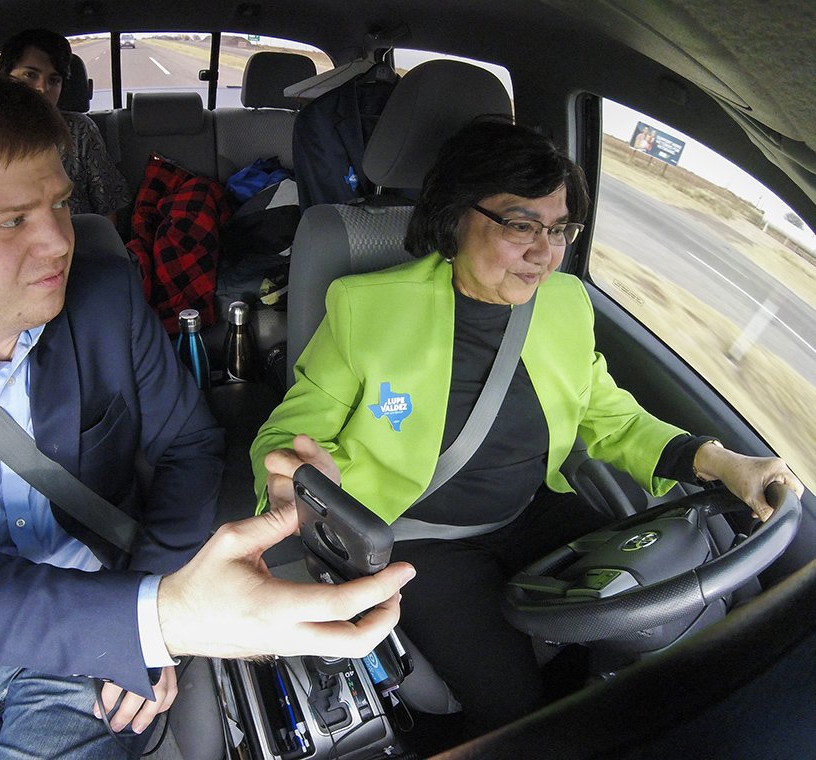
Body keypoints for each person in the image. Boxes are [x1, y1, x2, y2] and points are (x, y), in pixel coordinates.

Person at [0, 73, 414, 759]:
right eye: (12, 221)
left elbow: (189, 443)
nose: (59, 242)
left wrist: (143, 604)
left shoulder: (105, 298)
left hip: (100, 621)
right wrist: (155, 619)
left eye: (58, 205)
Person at [251, 118, 804, 742]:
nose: (544, 252)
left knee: (669, 621)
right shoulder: (365, 308)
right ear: (458, 215)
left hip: (531, 511)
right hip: (421, 541)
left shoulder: (565, 303)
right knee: (516, 714)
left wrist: (720, 461)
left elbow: (608, 415)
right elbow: (292, 430)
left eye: (559, 228)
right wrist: (290, 481)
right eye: (521, 225)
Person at [0, 28, 131, 224]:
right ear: (5, 76)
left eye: (54, 80)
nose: (42, 88)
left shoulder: (78, 130)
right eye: (30, 75)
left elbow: (107, 204)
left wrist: (106, 250)